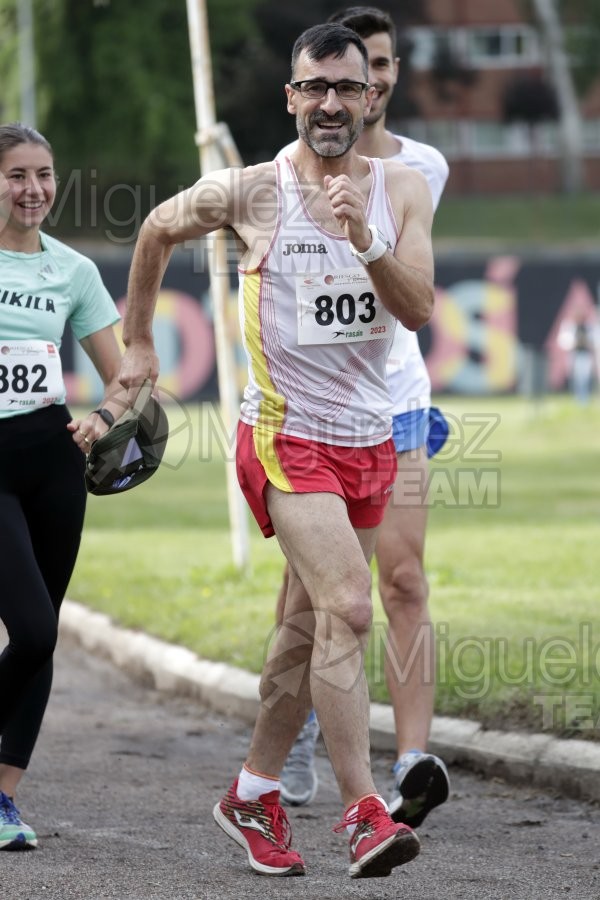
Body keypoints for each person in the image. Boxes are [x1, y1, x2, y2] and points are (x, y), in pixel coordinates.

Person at [119, 22, 435, 881]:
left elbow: (417, 309)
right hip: (284, 436)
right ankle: (365, 812)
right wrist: (138, 345)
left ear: (372, 96)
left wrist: (363, 241)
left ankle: (253, 789)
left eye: (347, 87)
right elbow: (152, 230)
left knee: (304, 630)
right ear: (290, 98)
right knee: (351, 604)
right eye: (313, 88)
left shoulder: (402, 189)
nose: (330, 103)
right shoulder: (252, 191)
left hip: (369, 441)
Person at [277, 6, 451, 828]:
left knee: (402, 578)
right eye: (352, 73)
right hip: (312, 415)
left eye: (379, 68)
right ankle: (299, 734)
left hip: (399, 400)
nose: (369, 83)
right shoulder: (287, 173)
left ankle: (413, 757)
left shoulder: (423, 170)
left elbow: (416, 293)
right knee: (315, 601)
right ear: (319, 89)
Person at [0, 123, 126, 850]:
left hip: (52, 460)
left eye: (44, 174)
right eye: (18, 174)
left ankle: (3, 798)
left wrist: (103, 417)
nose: (34, 189)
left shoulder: (73, 270)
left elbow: (129, 377)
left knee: (39, 640)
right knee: (36, 627)